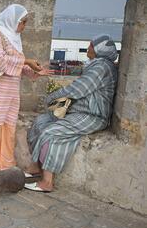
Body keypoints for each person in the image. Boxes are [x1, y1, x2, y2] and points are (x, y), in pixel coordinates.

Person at [25, 34, 119, 192]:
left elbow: (79, 88)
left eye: (91, 45)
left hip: (92, 115)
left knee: (52, 132)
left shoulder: (102, 67)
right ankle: (35, 167)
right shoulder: (96, 64)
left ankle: (47, 182)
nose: (89, 47)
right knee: (40, 122)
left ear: (98, 50)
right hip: (78, 111)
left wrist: (53, 97)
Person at [0, 4, 51, 172]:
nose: (23, 26)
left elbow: (17, 65)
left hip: (10, 92)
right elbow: (0, 61)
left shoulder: (15, 38)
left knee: (9, 128)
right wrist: (27, 61)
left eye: (25, 22)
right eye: (22, 22)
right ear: (12, 20)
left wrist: (35, 72)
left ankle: (6, 166)